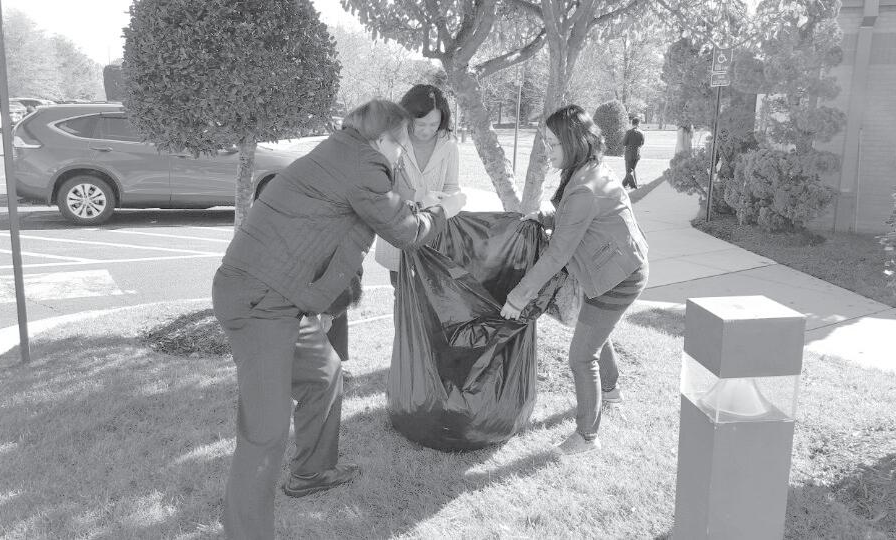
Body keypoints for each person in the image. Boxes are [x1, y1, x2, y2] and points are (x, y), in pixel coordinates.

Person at [212, 99, 467, 539]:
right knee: (264, 432)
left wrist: (418, 199)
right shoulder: (365, 162)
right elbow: (405, 232)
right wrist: (446, 210)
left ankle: (312, 472)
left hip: (282, 298)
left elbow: (375, 204)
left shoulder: (343, 152)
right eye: (399, 145)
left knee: (325, 375)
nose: (401, 155)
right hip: (262, 301)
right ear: (381, 139)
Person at [499, 104, 649, 456]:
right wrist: (546, 215)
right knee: (595, 329)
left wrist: (517, 299)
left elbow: (557, 255)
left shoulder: (584, 186)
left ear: (573, 142)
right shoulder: (586, 171)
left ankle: (587, 437)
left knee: (581, 357)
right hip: (618, 265)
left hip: (618, 276)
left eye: (552, 144)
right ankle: (611, 390)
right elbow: (569, 213)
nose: (547, 151)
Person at [375, 84, 461, 287]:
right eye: (420, 124)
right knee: (403, 300)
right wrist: (419, 203)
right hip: (399, 236)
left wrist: (450, 200)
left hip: (434, 239)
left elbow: (452, 185)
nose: (427, 130)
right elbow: (380, 192)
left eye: (434, 124)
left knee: (433, 304)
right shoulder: (391, 141)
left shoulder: (449, 144)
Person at [622, 117, 644, 189]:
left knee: (629, 171)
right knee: (631, 169)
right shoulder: (641, 132)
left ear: (632, 123)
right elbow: (642, 143)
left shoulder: (629, 132)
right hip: (637, 154)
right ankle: (623, 184)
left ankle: (633, 186)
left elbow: (624, 143)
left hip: (629, 154)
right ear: (638, 123)